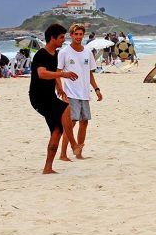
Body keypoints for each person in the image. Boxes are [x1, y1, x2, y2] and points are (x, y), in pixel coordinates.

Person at [29, 23, 83, 173]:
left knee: (57, 130)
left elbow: (52, 74)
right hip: (38, 97)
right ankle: (73, 144)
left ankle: (48, 168)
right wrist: (62, 75)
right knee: (67, 108)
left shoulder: (56, 55)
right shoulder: (41, 54)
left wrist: (58, 86)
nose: (63, 40)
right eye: (61, 37)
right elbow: (42, 73)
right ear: (52, 38)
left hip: (50, 96)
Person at [58, 24, 103, 161]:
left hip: (84, 93)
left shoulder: (87, 52)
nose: (78, 37)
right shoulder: (64, 52)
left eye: (80, 34)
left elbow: (89, 74)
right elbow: (58, 73)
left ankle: (79, 152)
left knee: (84, 122)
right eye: (75, 34)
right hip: (70, 93)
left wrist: (96, 89)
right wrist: (60, 90)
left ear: (83, 35)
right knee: (71, 123)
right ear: (71, 35)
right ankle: (63, 154)